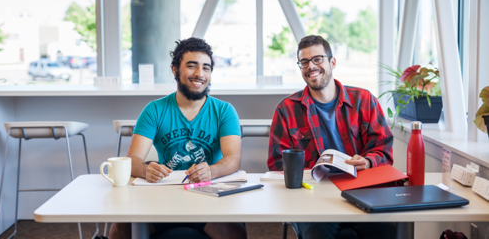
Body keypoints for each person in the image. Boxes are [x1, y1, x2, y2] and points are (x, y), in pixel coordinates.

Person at [109, 37, 247, 239]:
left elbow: (233, 160)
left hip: (210, 197)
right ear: (175, 70)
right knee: (120, 230)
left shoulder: (224, 110)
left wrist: (211, 171)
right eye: (192, 66)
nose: (200, 74)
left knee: (234, 233)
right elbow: (133, 160)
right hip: (164, 198)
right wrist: (146, 169)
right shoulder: (154, 110)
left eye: (206, 68)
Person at [267, 35, 395, 239]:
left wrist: (369, 161)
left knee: (387, 229)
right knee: (318, 233)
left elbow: (383, 149)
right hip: (312, 197)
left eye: (317, 59)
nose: (311, 66)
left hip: (361, 191)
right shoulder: (286, 109)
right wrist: (307, 175)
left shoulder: (364, 100)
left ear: (332, 62)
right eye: (304, 62)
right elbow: (276, 163)